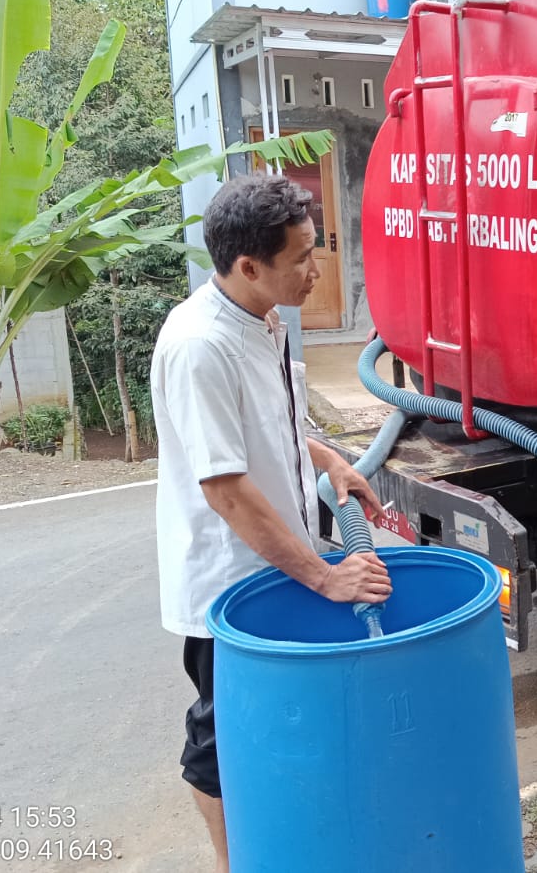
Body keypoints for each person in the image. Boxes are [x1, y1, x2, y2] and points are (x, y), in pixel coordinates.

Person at [151, 174, 393, 872]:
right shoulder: (200, 346)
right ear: (249, 265)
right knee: (221, 741)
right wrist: (326, 577)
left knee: (282, 725)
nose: (316, 270)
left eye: (314, 251)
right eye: (302, 259)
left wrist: (329, 460)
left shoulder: (263, 317)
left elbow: (275, 420)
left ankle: (289, 845)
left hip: (276, 560)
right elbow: (226, 489)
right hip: (228, 583)